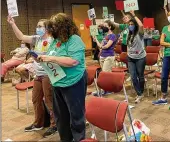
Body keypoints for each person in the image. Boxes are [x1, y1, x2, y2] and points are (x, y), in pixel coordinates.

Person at [38, 13, 87, 142]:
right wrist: (43, 58)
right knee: (61, 116)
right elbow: (51, 55)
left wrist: (51, 58)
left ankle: (79, 138)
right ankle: (65, 138)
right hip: (58, 82)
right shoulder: (56, 40)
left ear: (63, 26)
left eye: (54, 26)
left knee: (76, 114)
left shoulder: (74, 39)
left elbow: (73, 61)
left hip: (73, 82)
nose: (51, 29)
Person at [7, 16, 56, 137]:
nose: (37, 28)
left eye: (40, 26)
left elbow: (54, 58)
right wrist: (13, 24)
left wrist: (42, 58)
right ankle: (38, 123)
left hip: (48, 74)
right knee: (36, 99)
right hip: (38, 74)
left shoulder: (53, 40)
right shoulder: (36, 39)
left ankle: (54, 124)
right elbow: (21, 37)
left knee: (49, 100)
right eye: (37, 26)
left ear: (47, 28)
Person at [126, 11, 146, 104]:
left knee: (140, 76)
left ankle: (141, 91)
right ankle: (139, 94)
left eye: (132, 24)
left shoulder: (140, 33)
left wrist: (134, 15)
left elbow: (141, 25)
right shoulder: (128, 34)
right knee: (133, 77)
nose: (130, 26)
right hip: (130, 58)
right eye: (129, 24)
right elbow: (128, 45)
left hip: (140, 57)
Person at [93, 20, 117, 95]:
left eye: (106, 25)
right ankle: (105, 89)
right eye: (104, 26)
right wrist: (96, 39)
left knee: (106, 74)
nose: (104, 27)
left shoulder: (113, 36)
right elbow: (100, 46)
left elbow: (106, 46)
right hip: (102, 56)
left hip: (109, 56)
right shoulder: (105, 36)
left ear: (110, 26)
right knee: (104, 73)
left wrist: (101, 46)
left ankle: (108, 89)